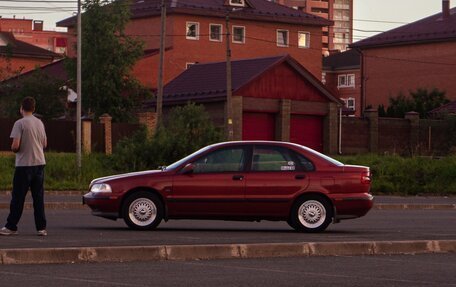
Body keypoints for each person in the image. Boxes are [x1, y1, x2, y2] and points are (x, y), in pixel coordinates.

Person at [0, 97, 48, 236]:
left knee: (18, 197)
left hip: (24, 165)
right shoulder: (40, 123)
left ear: (22, 108)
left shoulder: (19, 123)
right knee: (38, 198)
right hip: (39, 163)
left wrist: (14, 149)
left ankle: (11, 226)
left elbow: (15, 145)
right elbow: (44, 144)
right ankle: (41, 228)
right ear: (34, 108)